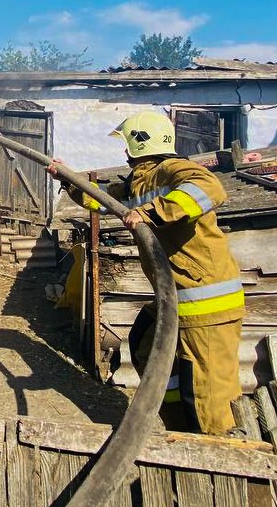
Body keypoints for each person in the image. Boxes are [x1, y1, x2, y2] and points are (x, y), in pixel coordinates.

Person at [47, 111, 245, 435]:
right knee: (144, 345)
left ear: (139, 144)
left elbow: (210, 188)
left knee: (209, 399)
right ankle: (181, 432)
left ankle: (221, 460)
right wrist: (67, 179)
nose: (124, 152)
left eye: (127, 144)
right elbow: (100, 198)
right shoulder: (140, 181)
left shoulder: (171, 170)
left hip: (207, 306)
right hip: (175, 301)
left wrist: (152, 212)